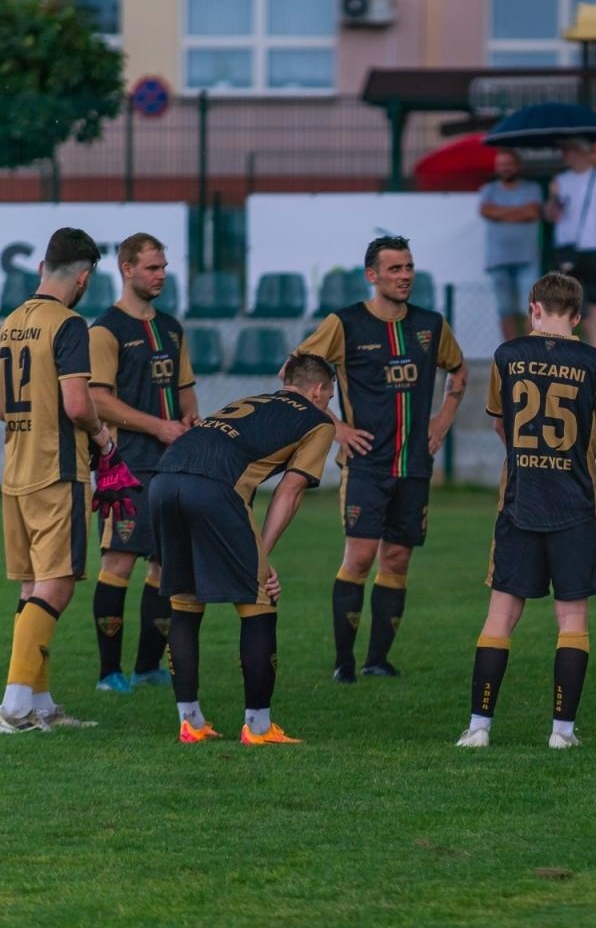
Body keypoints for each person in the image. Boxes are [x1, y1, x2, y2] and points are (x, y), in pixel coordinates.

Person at [456, 273, 596, 750]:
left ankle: (478, 728)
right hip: (574, 506)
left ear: (534, 308)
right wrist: (576, 435)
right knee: (571, 620)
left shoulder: (506, 357)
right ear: (577, 316)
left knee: (500, 617)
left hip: (520, 502)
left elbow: (500, 424)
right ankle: (561, 732)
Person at [297, 235, 468, 683]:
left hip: (414, 465)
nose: (405, 276)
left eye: (409, 267)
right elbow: (294, 374)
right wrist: (337, 428)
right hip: (367, 466)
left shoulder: (431, 325)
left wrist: (443, 419)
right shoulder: (346, 323)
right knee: (359, 557)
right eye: (394, 269)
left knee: (396, 559)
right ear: (372, 276)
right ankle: (343, 663)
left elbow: (459, 372)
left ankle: (378, 661)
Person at [0, 228, 139, 734]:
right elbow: (78, 404)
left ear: (41, 269)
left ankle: (39, 703)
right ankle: (13, 708)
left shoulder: (11, 322)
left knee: (34, 586)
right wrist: (104, 438)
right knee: (56, 587)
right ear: (83, 277)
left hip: (16, 470)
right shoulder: (70, 324)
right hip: (57, 470)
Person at [153, 352, 338, 745]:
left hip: (164, 478)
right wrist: (262, 558)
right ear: (319, 390)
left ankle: (191, 722)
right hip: (214, 488)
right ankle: (258, 727)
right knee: (259, 602)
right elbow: (290, 491)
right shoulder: (319, 421)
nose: (330, 404)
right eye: (331, 396)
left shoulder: (249, 401)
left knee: (184, 603)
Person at [87, 233, 199, 694]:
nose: (160, 275)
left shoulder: (171, 328)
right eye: (152, 268)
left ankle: (147, 667)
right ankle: (108, 673)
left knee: (164, 564)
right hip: (127, 465)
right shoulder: (105, 330)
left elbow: (185, 389)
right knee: (119, 562)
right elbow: (98, 401)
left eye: (163, 267)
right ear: (127, 268)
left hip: (171, 464)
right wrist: (158, 427)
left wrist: (193, 422)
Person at [546, 139, 596, 351]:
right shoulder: (560, 180)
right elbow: (551, 216)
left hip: (592, 246)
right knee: (570, 302)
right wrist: (553, 195)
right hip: (567, 247)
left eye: (571, 152)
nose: (568, 156)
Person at [480, 149, 544, 343]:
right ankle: (510, 350)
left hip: (527, 258)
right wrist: (518, 212)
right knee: (505, 309)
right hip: (497, 259)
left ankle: (528, 350)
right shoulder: (489, 189)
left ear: (518, 166)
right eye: (501, 164)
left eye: (508, 164)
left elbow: (532, 213)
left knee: (532, 307)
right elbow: (487, 211)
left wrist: (502, 214)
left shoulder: (532, 188)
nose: (504, 168)